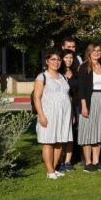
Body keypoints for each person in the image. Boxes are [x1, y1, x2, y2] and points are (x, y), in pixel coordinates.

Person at [34, 51, 72, 179]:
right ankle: (50, 171)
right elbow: (36, 97)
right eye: (53, 59)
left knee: (59, 142)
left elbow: (67, 96)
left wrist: (71, 114)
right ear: (47, 61)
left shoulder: (63, 77)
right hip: (49, 114)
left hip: (64, 115)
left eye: (58, 60)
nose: (56, 62)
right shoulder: (42, 77)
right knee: (48, 142)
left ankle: (54, 169)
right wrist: (41, 115)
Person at [77, 43, 101, 172]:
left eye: (98, 51)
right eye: (94, 51)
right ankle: (88, 162)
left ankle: (97, 161)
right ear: (89, 52)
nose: (97, 53)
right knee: (88, 130)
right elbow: (81, 89)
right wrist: (84, 106)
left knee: (99, 130)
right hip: (89, 100)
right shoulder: (84, 67)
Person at [58, 49, 79, 172]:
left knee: (71, 134)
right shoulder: (58, 73)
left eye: (71, 58)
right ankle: (60, 161)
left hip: (75, 106)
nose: (69, 60)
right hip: (63, 106)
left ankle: (68, 161)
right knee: (62, 134)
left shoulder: (76, 72)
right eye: (66, 57)